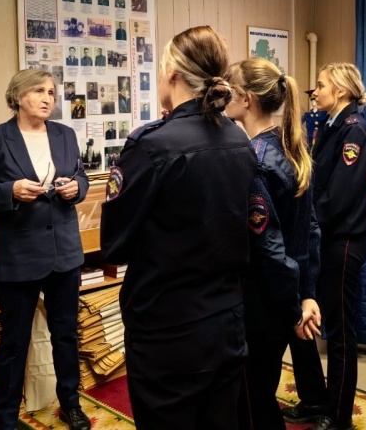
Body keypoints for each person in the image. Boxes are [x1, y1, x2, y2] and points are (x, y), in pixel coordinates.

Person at [100, 26, 257, 429]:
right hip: (226, 317)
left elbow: (114, 245)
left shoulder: (152, 145)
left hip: (169, 328)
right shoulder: (239, 139)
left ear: (172, 73)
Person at [0, 68, 92, 430]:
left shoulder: (66, 135)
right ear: (18, 96)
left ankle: (72, 404)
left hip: (64, 252)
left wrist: (75, 189)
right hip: (18, 256)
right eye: (39, 90)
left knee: (66, 335)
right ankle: (5, 419)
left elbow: (81, 176)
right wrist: (10, 191)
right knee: (14, 342)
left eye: (52, 91)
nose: (48, 97)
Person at [224, 58, 322, 430]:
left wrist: (294, 307)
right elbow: (310, 230)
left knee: (251, 403)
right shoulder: (290, 149)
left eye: (229, 92)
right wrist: (307, 294)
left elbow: (270, 249)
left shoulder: (257, 161)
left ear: (246, 99)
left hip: (264, 302)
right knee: (259, 393)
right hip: (285, 296)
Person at [284, 63, 366, 430]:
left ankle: (337, 415)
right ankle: (313, 398)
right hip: (320, 240)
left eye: (320, 86)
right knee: (302, 321)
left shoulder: (355, 131)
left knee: (339, 334)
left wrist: (302, 223)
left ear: (339, 91)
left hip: (340, 243)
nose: (315, 91)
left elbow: (336, 197)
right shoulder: (330, 125)